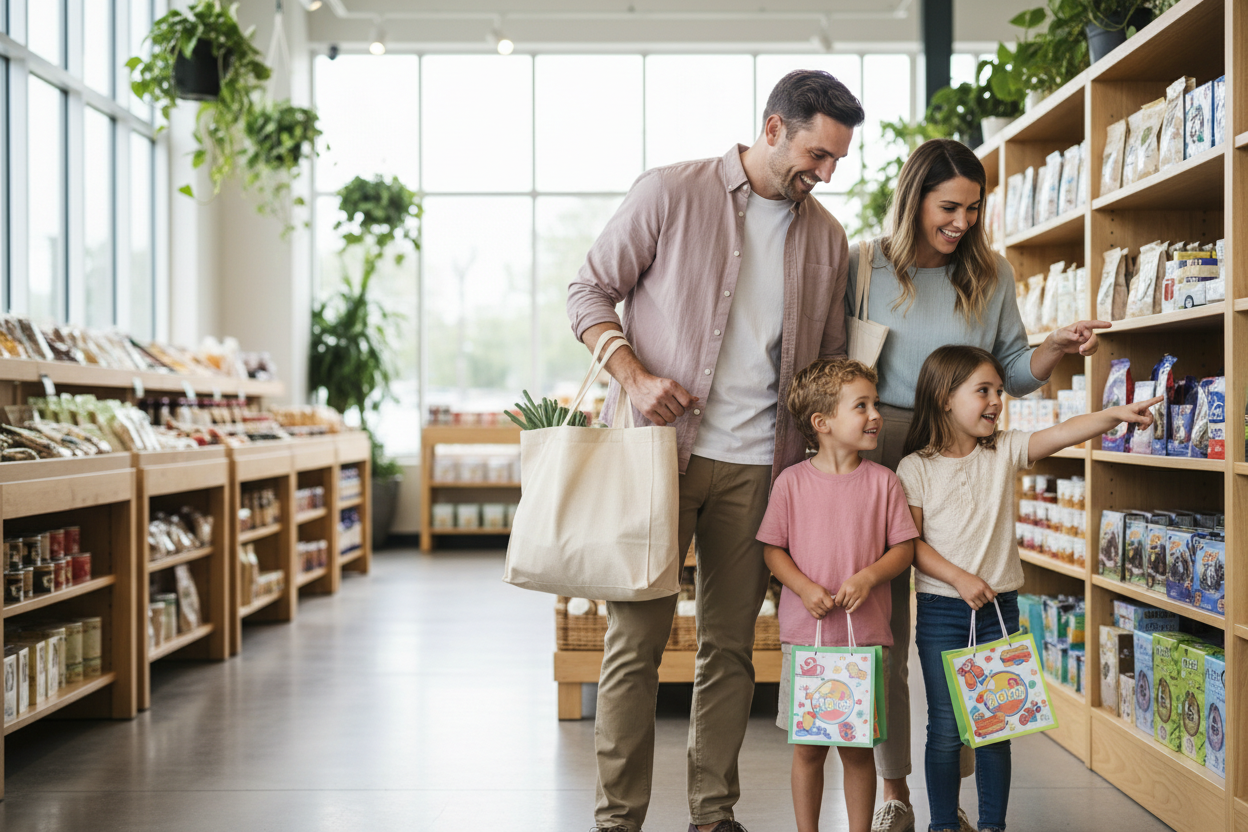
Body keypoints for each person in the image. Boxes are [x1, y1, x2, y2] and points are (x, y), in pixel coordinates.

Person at [566, 70, 865, 832]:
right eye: (817, 154)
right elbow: (588, 292)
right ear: (772, 129)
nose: (827, 173)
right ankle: (617, 819)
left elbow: (828, 367)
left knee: (730, 649)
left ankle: (712, 813)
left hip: (760, 468)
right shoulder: (671, 193)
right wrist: (634, 377)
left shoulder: (827, 238)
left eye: (837, 160)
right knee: (635, 643)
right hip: (658, 459)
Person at [844, 139, 1109, 832]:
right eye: (948, 207)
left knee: (955, 623)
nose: (962, 221)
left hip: (957, 443)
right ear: (914, 200)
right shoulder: (863, 264)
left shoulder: (990, 272)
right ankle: (896, 792)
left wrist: (1054, 347)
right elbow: (834, 362)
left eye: (973, 208)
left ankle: (950, 795)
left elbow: (1013, 370)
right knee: (885, 630)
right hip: (878, 440)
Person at [897, 344, 1159, 832]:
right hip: (941, 610)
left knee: (998, 725)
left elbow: (1061, 432)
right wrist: (959, 578)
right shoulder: (915, 467)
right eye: (983, 391)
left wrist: (1113, 416)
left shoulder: (1004, 449)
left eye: (999, 391)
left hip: (998, 611)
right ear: (944, 398)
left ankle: (993, 826)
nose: (997, 401)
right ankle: (942, 825)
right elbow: (910, 543)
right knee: (946, 729)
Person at [756, 358, 918, 832]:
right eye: (861, 406)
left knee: (857, 750)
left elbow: (903, 549)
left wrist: (868, 578)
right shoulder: (790, 483)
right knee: (808, 750)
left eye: (875, 404)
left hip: (864, 644)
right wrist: (803, 587)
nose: (875, 415)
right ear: (822, 423)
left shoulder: (884, 482)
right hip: (805, 643)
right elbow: (772, 550)